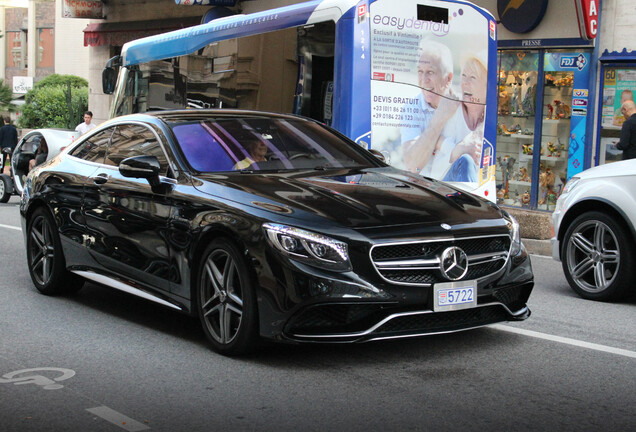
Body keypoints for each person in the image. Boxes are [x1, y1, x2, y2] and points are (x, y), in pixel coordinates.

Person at [402, 41, 456, 174]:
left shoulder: (463, 107)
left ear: (448, 78)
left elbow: (467, 158)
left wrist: (431, 141)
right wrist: (439, 119)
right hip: (422, 189)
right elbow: (413, 166)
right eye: (420, 71)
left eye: (430, 72)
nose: (424, 80)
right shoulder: (411, 107)